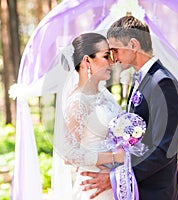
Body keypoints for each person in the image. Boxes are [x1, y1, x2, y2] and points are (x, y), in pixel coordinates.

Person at [81, 16, 178, 200]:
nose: (113, 58)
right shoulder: (140, 79)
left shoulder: (163, 83)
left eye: (115, 50)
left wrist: (117, 178)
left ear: (133, 45)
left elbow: (164, 149)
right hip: (139, 189)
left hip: (156, 191)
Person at [61, 32, 123, 199]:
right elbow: (68, 153)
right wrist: (115, 157)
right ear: (87, 61)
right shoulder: (78, 102)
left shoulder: (104, 95)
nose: (111, 62)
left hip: (114, 182)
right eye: (105, 56)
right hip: (94, 185)